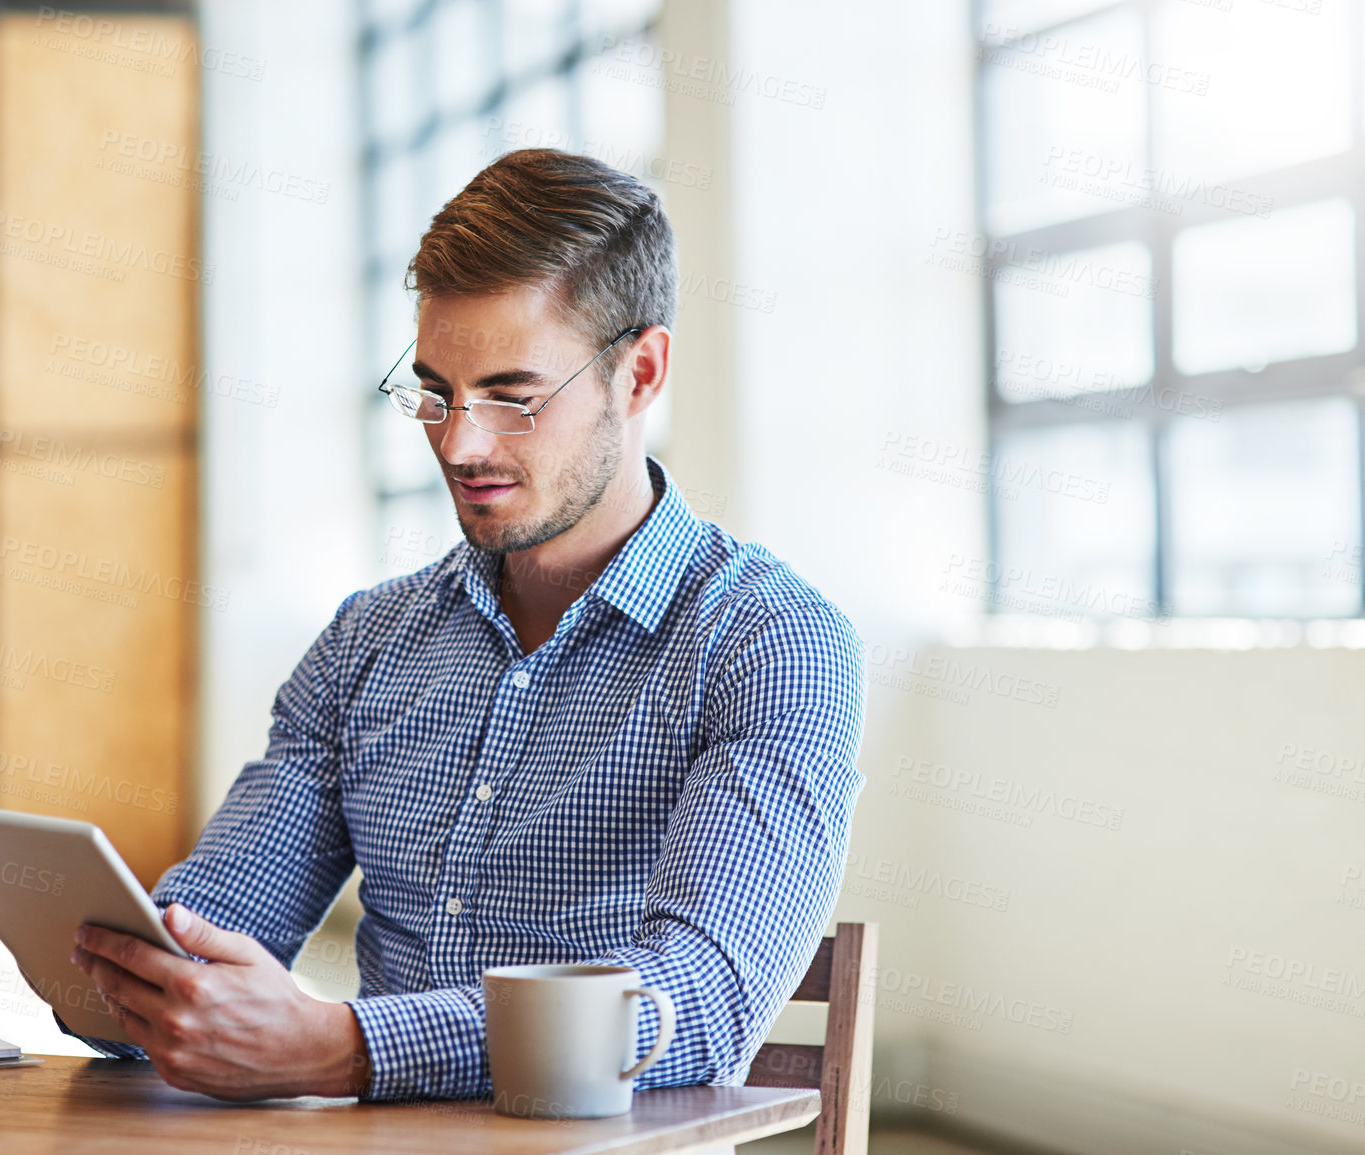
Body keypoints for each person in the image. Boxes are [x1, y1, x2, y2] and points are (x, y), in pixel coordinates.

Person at [63, 148, 866, 1102]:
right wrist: (131, 974)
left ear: (639, 372)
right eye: (435, 391)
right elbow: (218, 915)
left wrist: (341, 1046)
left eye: (511, 398)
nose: (459, 442)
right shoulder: (368, 641)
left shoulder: (770, 643)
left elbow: (698, 1001)